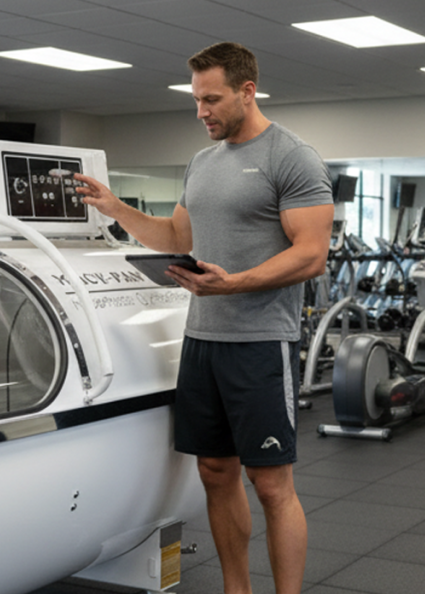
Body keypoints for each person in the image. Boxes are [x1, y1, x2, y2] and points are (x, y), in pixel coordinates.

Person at [74, 42, 334, 594]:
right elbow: (176, 237)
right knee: (215, 474)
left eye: (211, 99)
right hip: (203, 341)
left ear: (247, 90)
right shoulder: (202, 162)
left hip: (262, 342)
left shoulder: (291, 156)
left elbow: (311, 253)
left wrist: (232, 284)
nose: (201, 112)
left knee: (271, 486)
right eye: (196, 100)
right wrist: (116, 209)